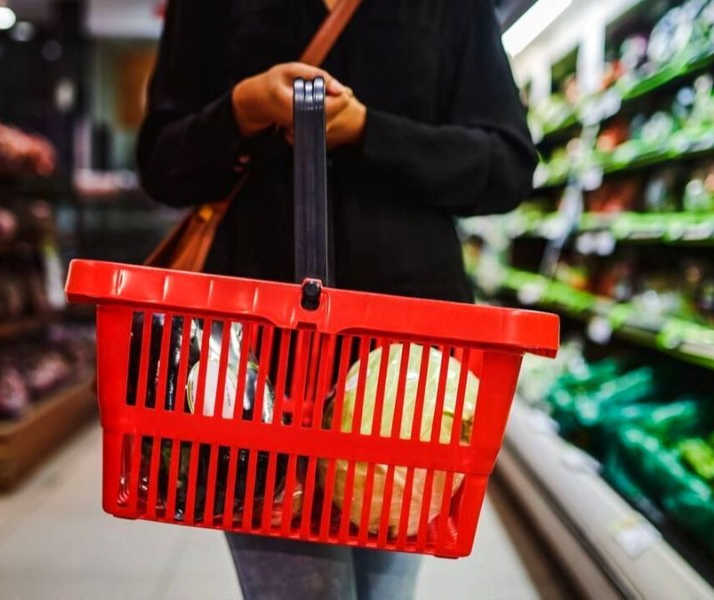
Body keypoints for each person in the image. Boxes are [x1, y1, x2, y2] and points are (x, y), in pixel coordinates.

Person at [137, 1, 537, 598]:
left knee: (384, 592)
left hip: (410, 372)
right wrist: (242, 108)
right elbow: (160, 162)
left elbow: (508, 165)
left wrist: (372, 131)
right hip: (256, 365)